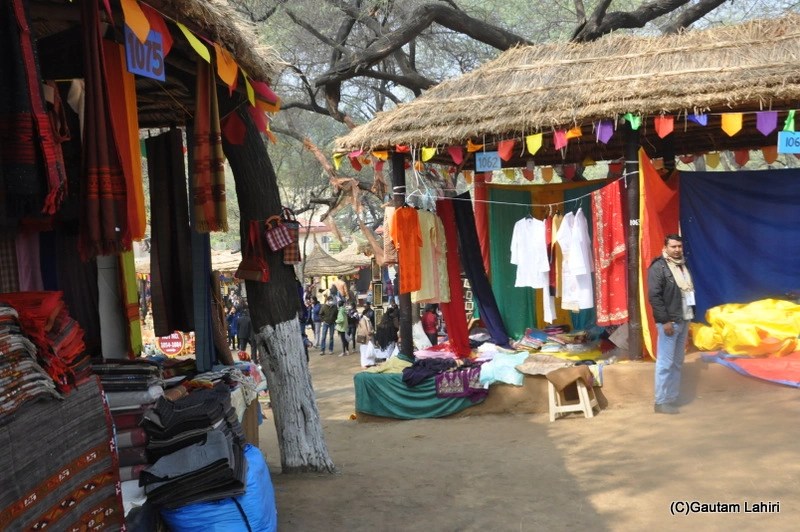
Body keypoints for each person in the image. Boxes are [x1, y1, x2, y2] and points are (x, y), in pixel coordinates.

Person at [647, 234, 695, 415]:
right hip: (670, 322)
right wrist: (664, 321)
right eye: (673, 247)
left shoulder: (683, 265)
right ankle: (660, 402)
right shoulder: (658, 267)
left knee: (677, 362)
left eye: (679, 247)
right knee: (665, 363)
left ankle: (671, 398)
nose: (677, 250)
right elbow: (654, 297)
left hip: (684, 318)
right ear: (665, 247)